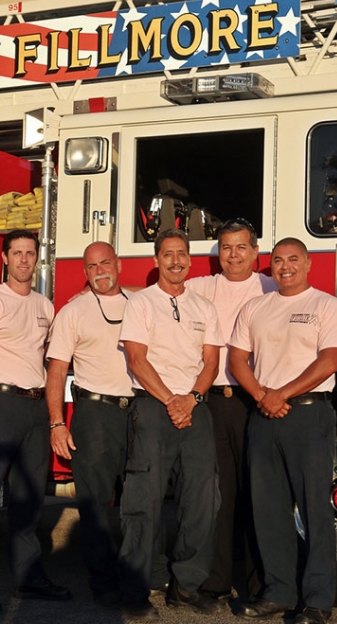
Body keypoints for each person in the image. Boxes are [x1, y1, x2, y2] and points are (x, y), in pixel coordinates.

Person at [228, 237, 337, 624]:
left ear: (308, 263)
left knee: (315, 509)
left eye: (293, 259)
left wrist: (280, 393)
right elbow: (237, 358)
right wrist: (263, 395)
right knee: (268, 510)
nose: (285, 267)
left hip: (309, 415)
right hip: (264, 415)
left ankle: (317, 601)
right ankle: (278, 592)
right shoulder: (255, 307)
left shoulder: (327, 306)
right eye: (278, 260)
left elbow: (330, 361)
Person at [0, 228, 72, 615]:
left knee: (28, 498)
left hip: (36, 408)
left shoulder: (45, 305)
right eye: (16, 253)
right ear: (4, 258)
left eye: (30, 253)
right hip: (0, 404)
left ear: (37, 258)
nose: (23, 259)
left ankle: (28, 578)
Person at [117, 228, 222, 621]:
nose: (175, 261)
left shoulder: (204, 307)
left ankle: (186, 586)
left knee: (203, 500)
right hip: (153, 410)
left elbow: (211, 361)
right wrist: (171, 401)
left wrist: (191, 400)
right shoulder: (141, 303)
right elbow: (137, 359)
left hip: (195, 409)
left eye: (182, 254)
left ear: (190, 260)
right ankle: (135, 589)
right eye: (167, 254)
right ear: (156, 260)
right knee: (143, 501)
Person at [185, 218, 276, 603]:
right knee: (219, 495)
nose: (233, 255)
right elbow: (158, 295)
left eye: (241, 247)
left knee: (258, 493)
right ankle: (218, 580)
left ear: (256, 252)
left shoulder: (272, 287)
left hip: (254, 401)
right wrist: (106, 293)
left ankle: (259, 585)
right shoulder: (202, 287)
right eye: (226, 247)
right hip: (214, 402)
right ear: (218, 254)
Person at [46, 241, 133, 604]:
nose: (100, 271)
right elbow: (56, 371)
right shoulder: (73, 312)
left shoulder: (140, 304)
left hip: (139, 411)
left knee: (139, 499)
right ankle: (103, 581)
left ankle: (136, 573)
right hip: (95, 413)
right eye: (92, 267)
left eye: (106, 263)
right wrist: (56, 423)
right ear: (84, 273)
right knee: (95, 503)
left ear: (119, 265)